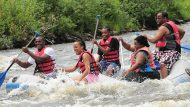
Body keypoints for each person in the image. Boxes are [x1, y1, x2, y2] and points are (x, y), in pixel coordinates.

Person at [143, 11, 185, 79]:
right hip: (163, 52)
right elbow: (182, 32)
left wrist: (146, 36)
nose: (157, 20)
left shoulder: (163, 28)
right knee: (147, 57)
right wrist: (177, 41)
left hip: (173, 52)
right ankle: (151, 74)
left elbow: (154, 40)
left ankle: (165, 81)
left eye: (159, 18)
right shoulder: (172, 24)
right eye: (156, 18)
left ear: (165, 18)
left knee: (163, 64)